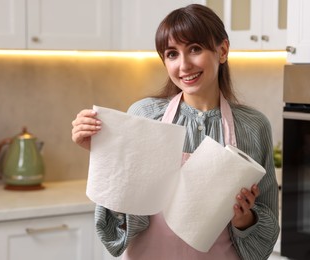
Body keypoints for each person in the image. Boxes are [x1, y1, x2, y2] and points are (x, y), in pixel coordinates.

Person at [71, 4, 279, 260]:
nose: (184, 65)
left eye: (195, 49)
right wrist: (103, 152)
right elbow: (120, 207)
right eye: (172, 54)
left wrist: (245, 218)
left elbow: (268, 223)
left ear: (222, 50)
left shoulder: (254, 126)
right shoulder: (145, 115)